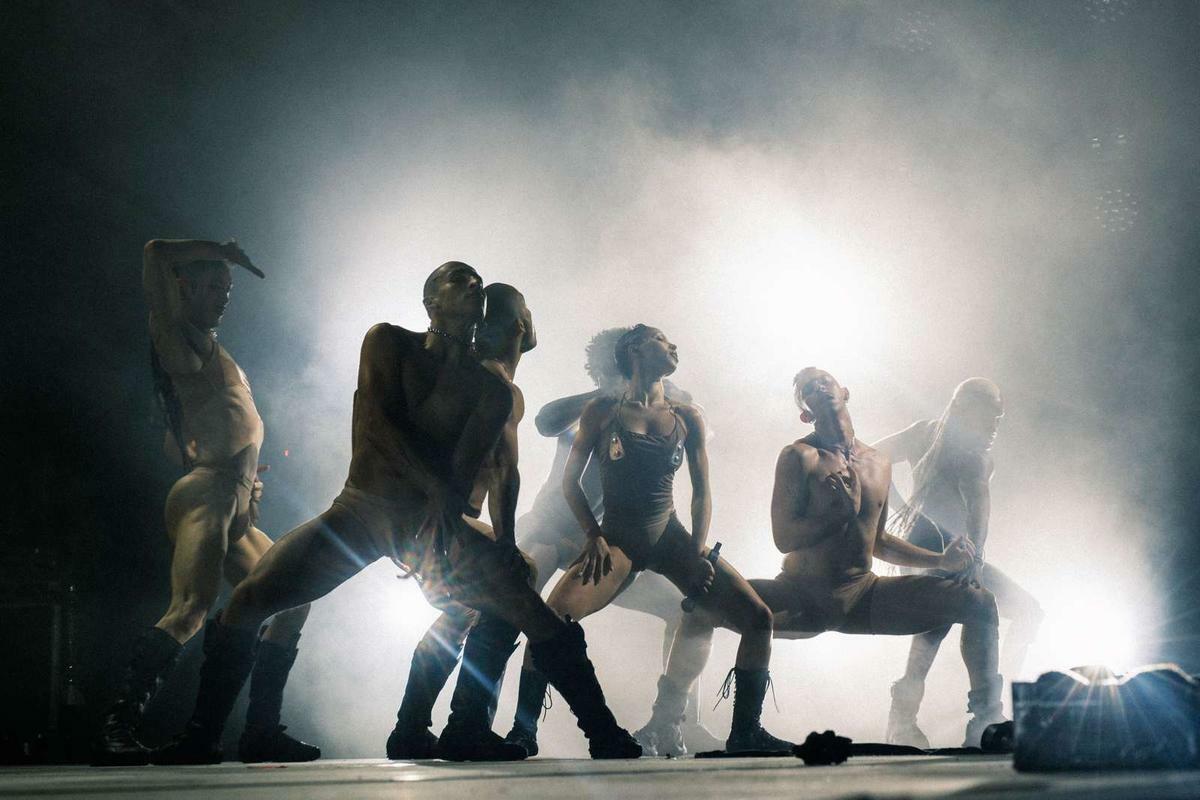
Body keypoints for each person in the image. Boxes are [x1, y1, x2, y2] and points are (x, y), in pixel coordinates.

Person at [153, 262, 641, 763]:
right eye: (460, 279)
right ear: (431, 301)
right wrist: (434, 492)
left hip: (424, 525)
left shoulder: (491, 390)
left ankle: (600, 731)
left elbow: (483, 469)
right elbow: (376, 425)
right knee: (250, 599)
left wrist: (481, 532)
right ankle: (205, 735)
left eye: (478, 283)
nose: (474, 286)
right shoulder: (387, 341)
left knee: (525, 604)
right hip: (361, 512)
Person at [387, 328, 719, 759]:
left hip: (603, 542)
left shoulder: (655, 408)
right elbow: (545, 420)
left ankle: (669, 722)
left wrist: (666, 401)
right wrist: (605, 389)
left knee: (680, 606)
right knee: (482, 611)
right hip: (551, 529)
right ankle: (439, 724)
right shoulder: (592, 409)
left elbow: (695, 439)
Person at [653, 367, 1006, 748]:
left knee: (979, 602)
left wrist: (940, 561)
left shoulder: (878, 462)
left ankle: (985, 721)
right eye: (807, 389)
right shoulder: (798, 456)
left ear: (845, 392)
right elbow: (784, 538)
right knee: (698, 609)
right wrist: (836, 514)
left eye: (824, 380)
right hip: (802, 596)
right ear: (806, 412)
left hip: (863, 597)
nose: (817, 387)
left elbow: (880, 540)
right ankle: (669, 722)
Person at [503, 325, 785, 757]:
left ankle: (741, 731)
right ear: (633, 350)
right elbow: (568, 480)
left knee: (759, 618)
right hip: (617, 539)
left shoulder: (687, 415)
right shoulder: (601, 409)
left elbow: (703, 491)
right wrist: (594, 536)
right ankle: (523, 731)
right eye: (661, 339)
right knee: (552, 618)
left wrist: (697, 550)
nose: (673, 345)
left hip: (671, 538)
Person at [92, 239, 315, 766]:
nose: (225, 296)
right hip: (207, 494)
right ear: (184, 288)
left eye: (229, 288)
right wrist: (219, 250)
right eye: (214, 285)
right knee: (190, 610)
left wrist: (246, 477)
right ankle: (114, 724)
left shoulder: (218, 352)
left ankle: (260, 729)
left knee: (293, 598)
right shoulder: (178, 337)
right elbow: (152, 253)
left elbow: (205, 430)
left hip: (232, 499)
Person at [875, 378, 1042, 748]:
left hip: (929, 547)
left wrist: (899, 510)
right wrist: (974, 553)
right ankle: (984, 713)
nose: (995, 426)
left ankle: (970, 710)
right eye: (989, 417)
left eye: (999, 418)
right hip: (946, 549)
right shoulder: (968, 452)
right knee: (950, 618)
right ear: (966, 409)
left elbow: (871, 457)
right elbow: (980, 509)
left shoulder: (929, 435)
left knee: (942, 623)